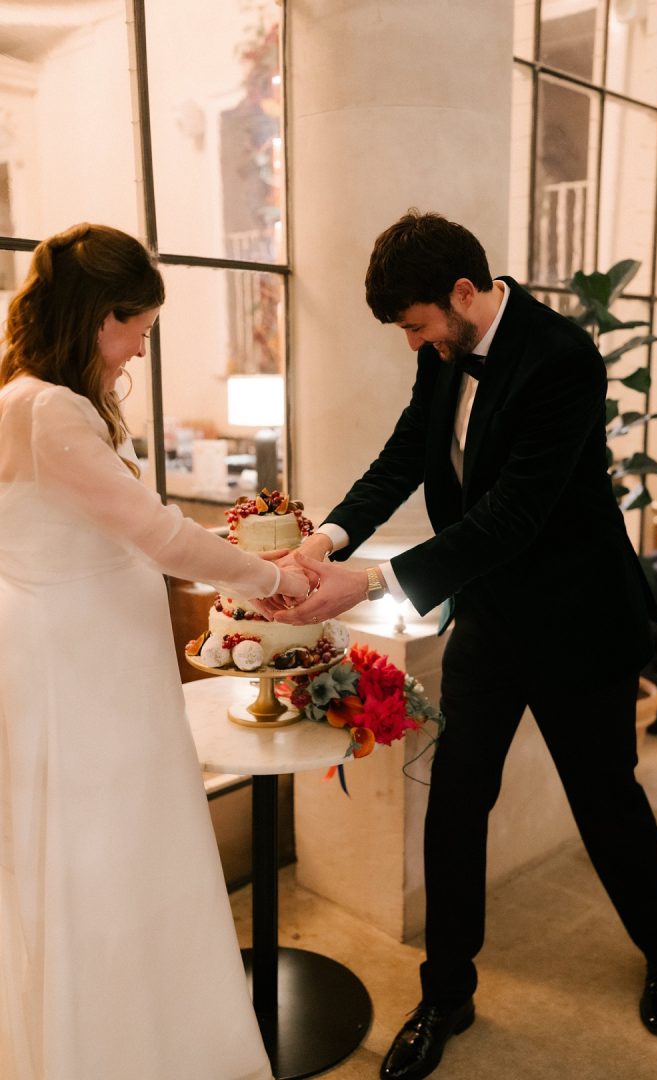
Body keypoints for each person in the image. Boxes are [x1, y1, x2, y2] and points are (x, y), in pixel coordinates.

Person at [265, 210, 657, 1080]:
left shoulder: (565, 357)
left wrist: (374, 584)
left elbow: (513, 517)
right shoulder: (443, 352)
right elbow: (404, 457)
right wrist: (331, 539)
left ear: (464, 292)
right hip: (494, 622)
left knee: (606, 802)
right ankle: (447, 993)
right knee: (456, 804)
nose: (414, 342)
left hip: (578, 623)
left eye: (418, 324)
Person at [0, 222, 310, 1080]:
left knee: (119, 856)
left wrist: (245, 551)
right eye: (138, 325)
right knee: (102, 861)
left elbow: (135, 530)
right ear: (101, 316)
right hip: (81, 672)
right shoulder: (49, 410)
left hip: (92, 659)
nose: (142, 343)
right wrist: (268, 583)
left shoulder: (43, 399)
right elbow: (157, 537)